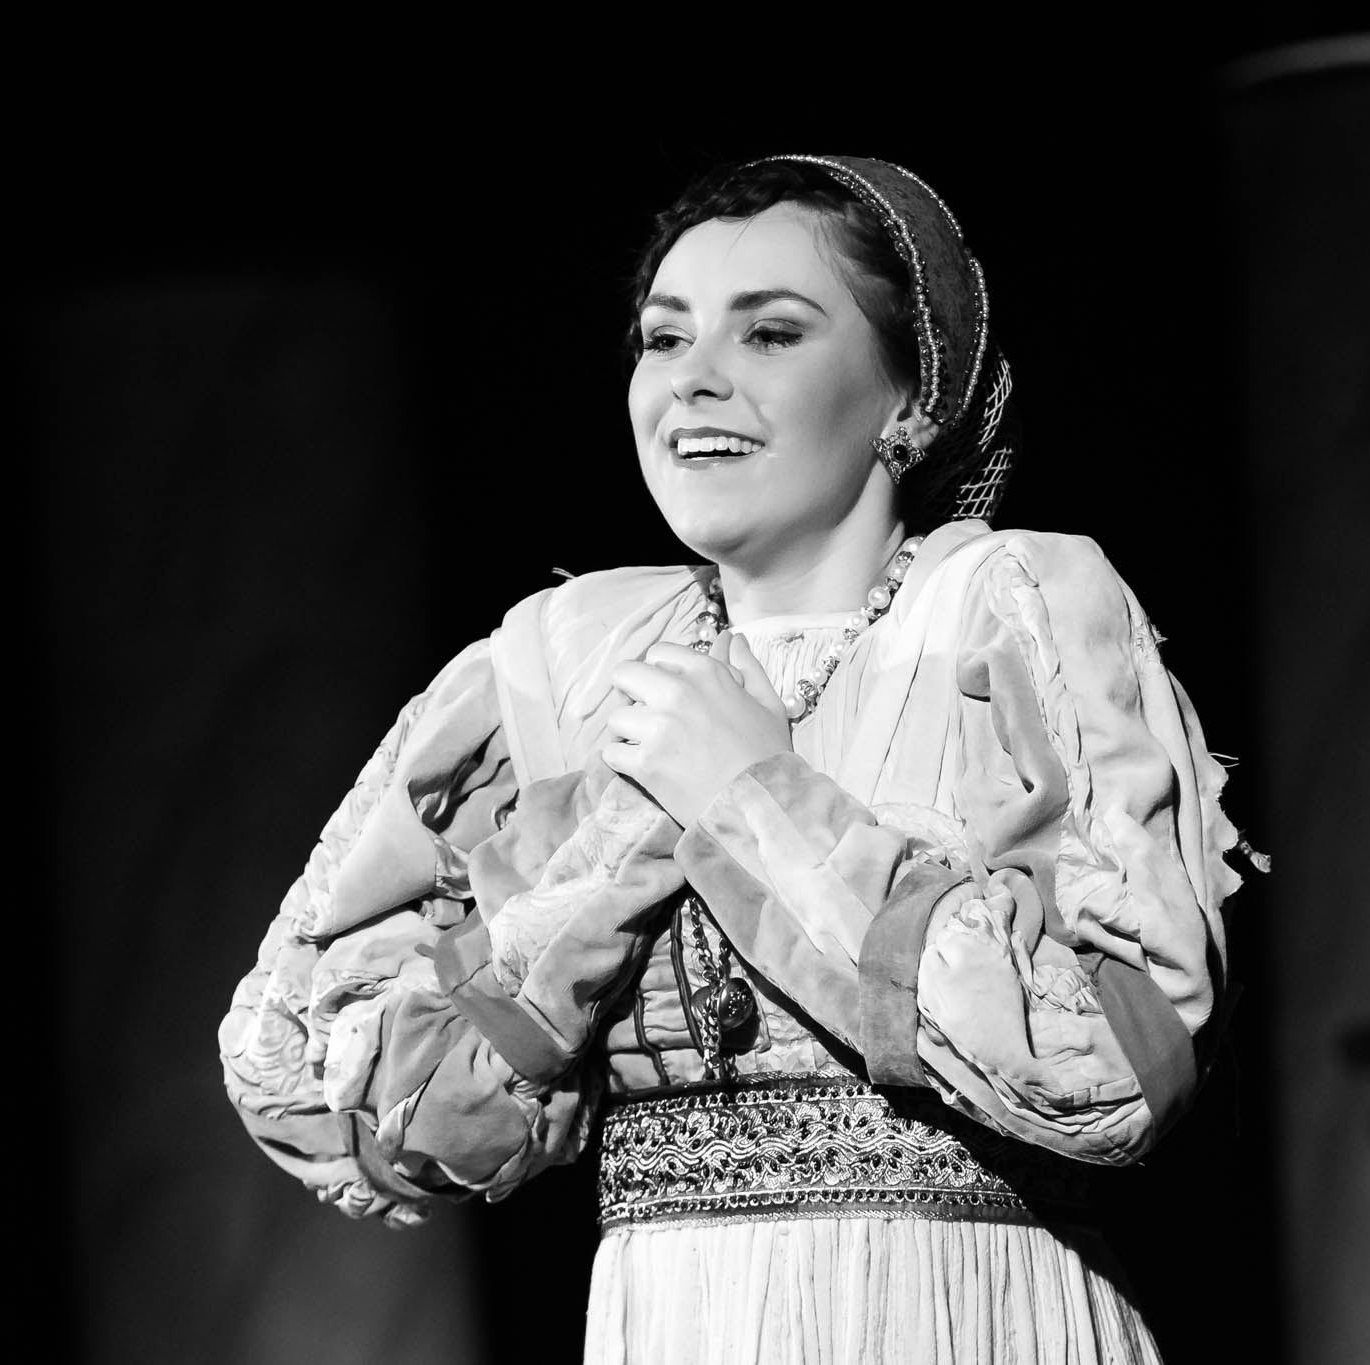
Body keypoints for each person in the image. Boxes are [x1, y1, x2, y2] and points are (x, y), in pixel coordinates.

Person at [217, 154, 1242, 1363]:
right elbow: (293, 1071)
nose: (693, 381)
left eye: (769, 334)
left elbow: (1120, 1062)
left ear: (907, 397)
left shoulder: (1003, 609)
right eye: (662, 339)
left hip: (962, 1304)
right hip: (673, 1313)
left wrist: (755, 796)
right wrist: (605, 854)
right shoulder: (558, 664)